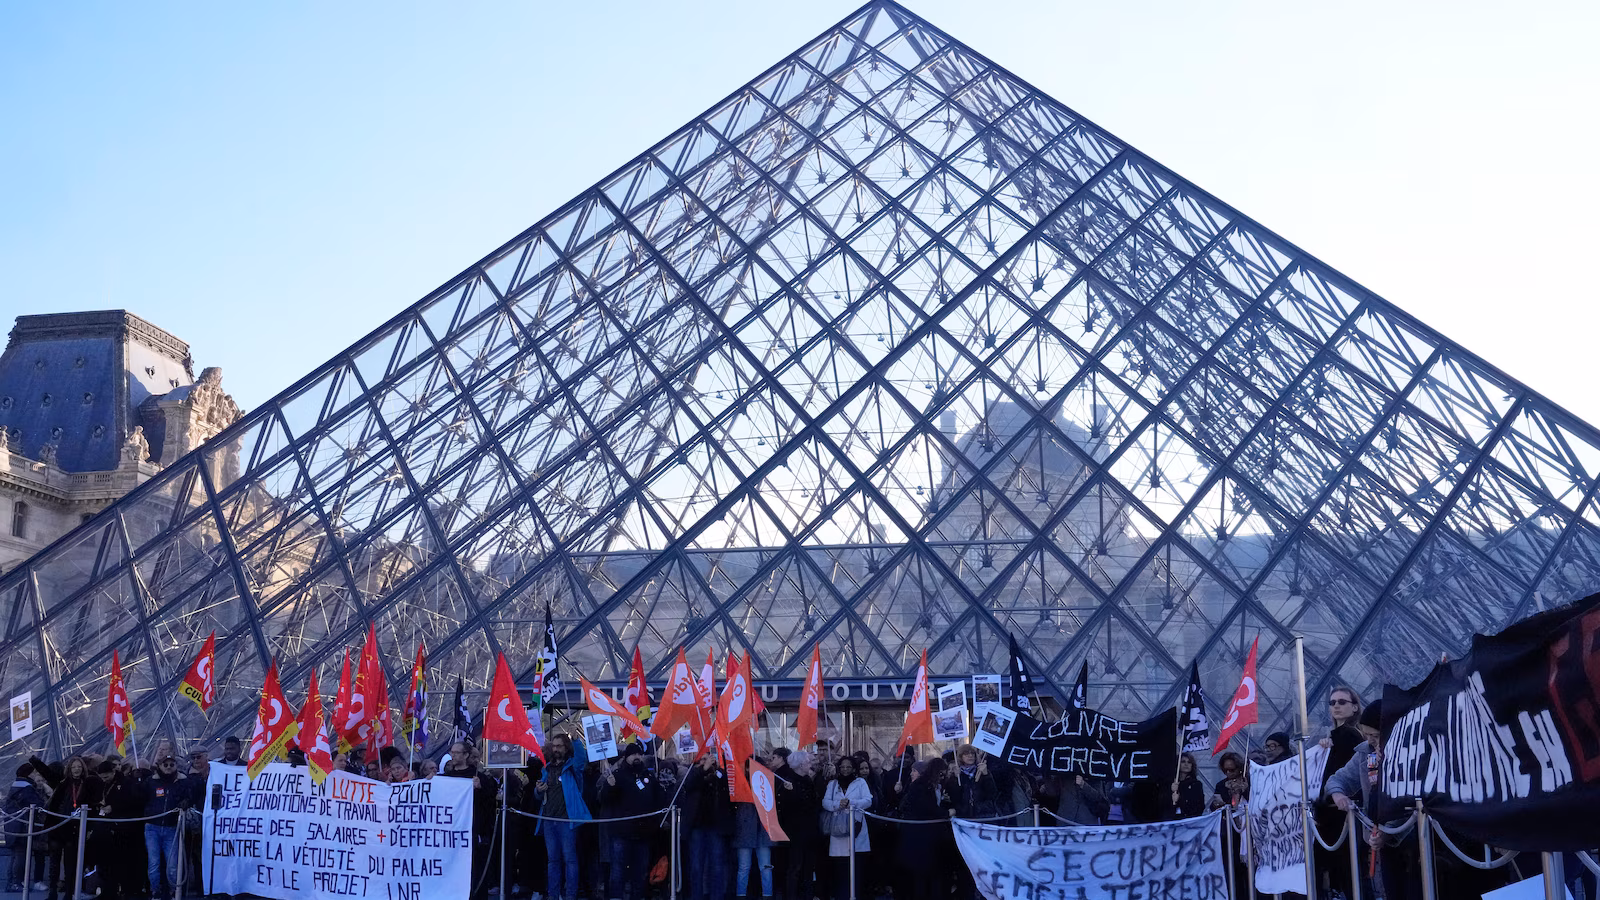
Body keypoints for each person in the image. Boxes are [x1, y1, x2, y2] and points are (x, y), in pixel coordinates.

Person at [597, 743, 663, 900]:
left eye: (639, 754)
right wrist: (609, 786)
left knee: (640, 873)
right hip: (621, 833)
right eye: (633, 754)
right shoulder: (618, 775)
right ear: (626, 757)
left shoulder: (648, 776)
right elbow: (603, 799)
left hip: (643, 834)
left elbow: (658, 799)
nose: (637, 757)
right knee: (618, 872)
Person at [536, 733, 591, 900]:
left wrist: (576, 740)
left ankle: (570, 896)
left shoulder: (572, 768)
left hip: (567, 820)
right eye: (554, 746)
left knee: (570, 860)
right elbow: (538, 795)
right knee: (553, 860)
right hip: (548, 819)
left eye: (559, 746)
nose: (555, 749)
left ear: (566, 748)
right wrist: (538, 790)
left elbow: (581, 759)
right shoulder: (546, 768)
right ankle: (553, 895)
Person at [42, 756, 103, 900]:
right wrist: (33, 759)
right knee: (54, 861)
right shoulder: (62, 783)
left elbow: (94, 803)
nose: (77, 769)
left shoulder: (87, 784)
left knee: (71, 862)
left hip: (74, 828)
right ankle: (52, 891)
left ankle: (69, 893)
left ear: (83, 769)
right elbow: (46, 773)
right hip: (58, 826)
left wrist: (89, 828)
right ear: (69, 768)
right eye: (74, 767)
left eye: (79, 767)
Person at [895, 758, 952, 900]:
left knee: (931, 871)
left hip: (931, 835)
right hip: (919, 834)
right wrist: (946, 813)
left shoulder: (934, 786)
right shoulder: (921, 785)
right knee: (920, 872)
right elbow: (926, 807)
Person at [135, 755, 191, 900]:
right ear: (159, 766)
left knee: (172, 865)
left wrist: (186, 801)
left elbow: (190, 796)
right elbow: (139, 797)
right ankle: (155, 891)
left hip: (172, 827)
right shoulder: (151, 781)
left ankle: (173, 891)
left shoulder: (183, 782)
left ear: (176, 766)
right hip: (152, 827)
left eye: (172, 764)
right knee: (153, 863)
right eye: (165, 765)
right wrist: (137, 780)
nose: (168, 767)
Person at [683, 752, 733, 900]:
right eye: (703, 759)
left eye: (709, 759)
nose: (707, 762)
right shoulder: (693, 773)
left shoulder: (719, 775)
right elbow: (688, 785)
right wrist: (703, 769)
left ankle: (716, 896)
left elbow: (728, 790)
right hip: (697, 826)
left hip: (715, 826)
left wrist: (717, 770)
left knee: (717, 865)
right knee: (696, 866)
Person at [821, 756, 871, 900]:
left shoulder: (860, 782)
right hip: (838, 829)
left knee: (856, 869)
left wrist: (851, 803)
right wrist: (838, 805)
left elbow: (868, 800)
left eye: (848, 767)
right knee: (840, 870)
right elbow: (825, 802)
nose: (845, 769)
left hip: (856, 827)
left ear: (854, 768)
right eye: (842, 767)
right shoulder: (833, 784)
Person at [95, 759, 142, 900]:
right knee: (107, 861)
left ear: (113, 772)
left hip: (125, 827)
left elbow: (134, 801)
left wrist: (114, 807)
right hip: (108, 826)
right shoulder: (104, 784)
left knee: (123, 861)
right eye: (102, 778)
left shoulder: (126, 783)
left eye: (106, 777)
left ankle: (127, 891)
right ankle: (109, 891)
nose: (104, 780)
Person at [773, 750, 817, 900]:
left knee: (808, 867)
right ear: (800, 764)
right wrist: (791, 793)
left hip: (809, 831)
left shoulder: (808, 780)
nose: (810, 765)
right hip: (794, 833)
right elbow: (786, 807)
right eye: (808, 762)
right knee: (794, 867)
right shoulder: (787, 782)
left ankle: (807, 895)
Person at [4, 763, 46, 892]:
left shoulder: (15, 786)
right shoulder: (26, 789)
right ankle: (17, 882)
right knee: (21, 854)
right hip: (22, 826)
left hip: (12, 825)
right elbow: (38, 804)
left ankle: (11, 882)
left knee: (15, 855)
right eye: (34, 772)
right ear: (29, 774)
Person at [1171, 753, 1206, 819]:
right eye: (1183, 761)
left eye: (1189, 762)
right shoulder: (1171, 783)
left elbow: (1199, 806)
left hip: (1190, 820)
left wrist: (1179, 799)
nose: (1186, 764)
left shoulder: (1196, 784)